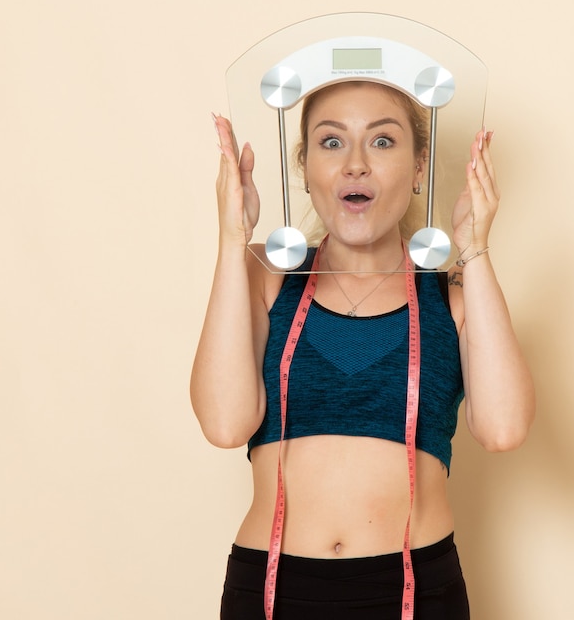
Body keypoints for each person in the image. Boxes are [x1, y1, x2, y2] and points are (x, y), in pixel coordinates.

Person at [191, 80, 535, 619]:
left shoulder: (453, 299)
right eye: (331, 142)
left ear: (419, 166)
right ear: (305, 170)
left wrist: (475, 250)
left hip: (417, 591)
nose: (355, 164)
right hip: (273, 589)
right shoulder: (264, 278)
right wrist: (231, 239)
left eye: (381, 141)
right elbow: (225, 423)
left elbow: (503, 428)